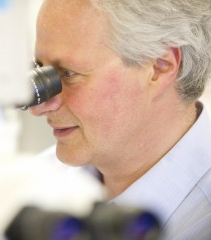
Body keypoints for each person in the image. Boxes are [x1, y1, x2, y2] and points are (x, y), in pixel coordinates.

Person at [29, 0, 211, 239]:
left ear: (160, 67)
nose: (39, 107)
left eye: (69, 74)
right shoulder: (36, 180)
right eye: (40, 69)